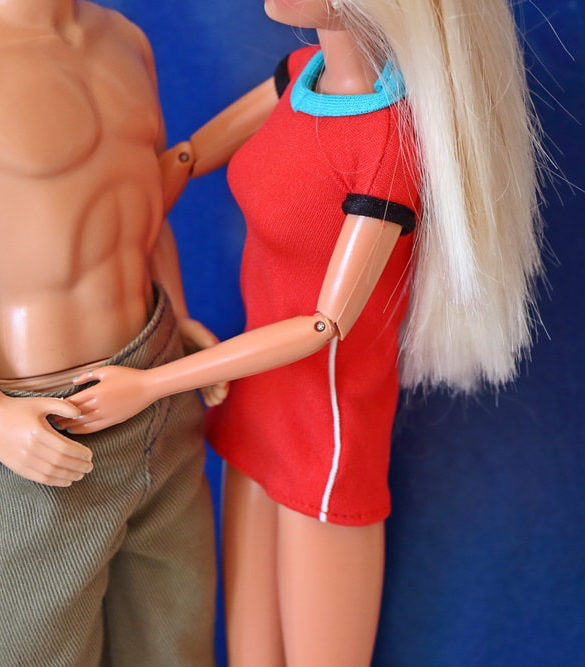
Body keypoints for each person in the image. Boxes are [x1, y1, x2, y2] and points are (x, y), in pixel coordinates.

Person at [60, 1, 543, 665]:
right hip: (255, 401)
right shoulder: (300, 74)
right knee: (249, 646)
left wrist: (151, 383)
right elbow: (188, 157)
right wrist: (106, 215)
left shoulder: (385, 145)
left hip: (325, 426)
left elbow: (323, 324)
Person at [0, 1, 220, 665]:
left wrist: (179, 315)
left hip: (159, 384)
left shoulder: (125, 39)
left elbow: (145, 200)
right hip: (42, 426)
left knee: (175, 642)